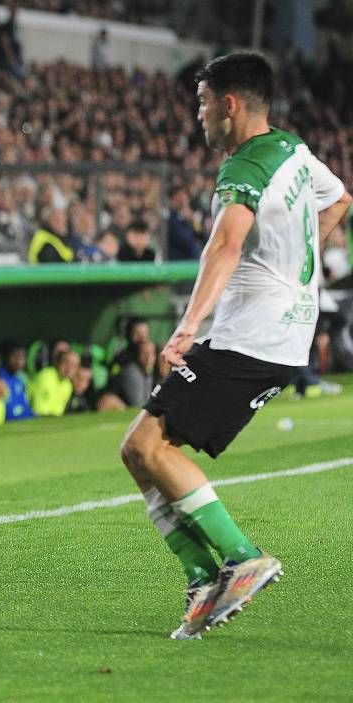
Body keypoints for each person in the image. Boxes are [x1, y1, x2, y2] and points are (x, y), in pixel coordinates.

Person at [119, 53, 352, 640]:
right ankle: (204, 578)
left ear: (228, 104)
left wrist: (185, 326)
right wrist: (301, 271)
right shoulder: (294, 150)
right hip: (281, 334)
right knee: (139, 449)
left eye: (201, 103)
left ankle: (239, 558)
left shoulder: (243, 167)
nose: (197, 116)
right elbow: (341, 198)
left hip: (250, 336)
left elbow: (223, 248)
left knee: (152, 447)